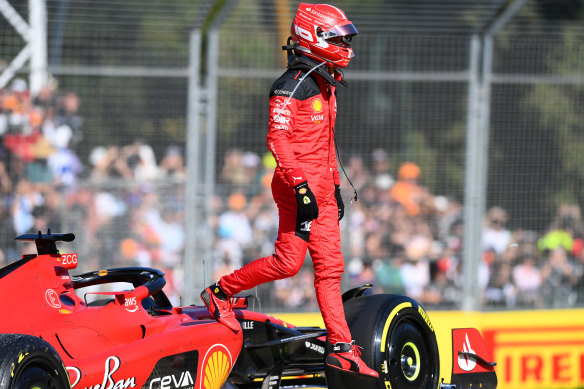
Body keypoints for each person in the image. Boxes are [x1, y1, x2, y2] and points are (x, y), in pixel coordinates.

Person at [200, 3, 378, 378]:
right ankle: (219, 293)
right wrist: (301, 187)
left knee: (331, 269)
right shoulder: (289, 85)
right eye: (339, 38)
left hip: (322, 191)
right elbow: (276, 139)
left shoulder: (327, 83)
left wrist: (333, 186)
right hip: (296, 188)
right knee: (288, 263)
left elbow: (327, 145)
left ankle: (342, 348)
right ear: (315, 38)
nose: (346, 46)